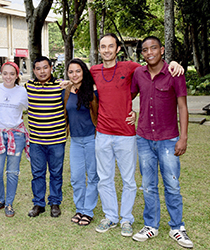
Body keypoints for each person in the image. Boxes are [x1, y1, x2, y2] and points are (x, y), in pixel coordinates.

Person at [90, 33, 184, 237]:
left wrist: (174, 63)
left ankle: (126, 219)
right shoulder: (94, 71)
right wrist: (67, 85)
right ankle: (110, 216)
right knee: (104, 178)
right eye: (103, 46)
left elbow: (153, 66)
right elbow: (78, 80)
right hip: (103, 134)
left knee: (129, 180)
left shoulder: (131, 67)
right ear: (99, 50)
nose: (106, 50)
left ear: (117, 50)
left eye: (110, 46)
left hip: (126, 134)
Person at [131, 36, 193, 248]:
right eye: (145, 49)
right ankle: (151, 226)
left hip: (168, 139)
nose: (150, 52)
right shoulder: (138, 73)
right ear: (142, 53)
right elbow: (126, 96)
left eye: (154, 48)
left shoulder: (174, 73)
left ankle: (177, 227)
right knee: (148, 185)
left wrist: (183, 137)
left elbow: (183, 107)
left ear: (162, 50)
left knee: (172, 185)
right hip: (144, 138)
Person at [25, 57, 66, 218]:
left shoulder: (60, 85)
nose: (42, 71)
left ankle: (55, 203)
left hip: (56, 140)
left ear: (51, 68)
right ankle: (38, 204)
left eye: (45, 67)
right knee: (38, 173)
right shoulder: (28, 86)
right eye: (38, 68)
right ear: (34, 70)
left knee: (56, 173)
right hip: (36, 141)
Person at [0, 61, 28, 217]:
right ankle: (0, 200)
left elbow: (33, 107)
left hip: (16, 135)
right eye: (5, 73)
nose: (8, 77)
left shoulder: (22, 92)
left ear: (17, 75)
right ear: (0, 74)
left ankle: (9, 203)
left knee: (12, 172)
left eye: (12, 74)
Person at [62, 59, 99, 226]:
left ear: (84, 72)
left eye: (77, 71)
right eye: (71, 72)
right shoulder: (67, 91)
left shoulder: (92, 91)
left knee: (92, 176)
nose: (74, 74)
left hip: (92, 139)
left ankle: (88, 211)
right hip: (75, 141)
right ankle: (80, 208)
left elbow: (101, 112)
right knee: (76, 177)